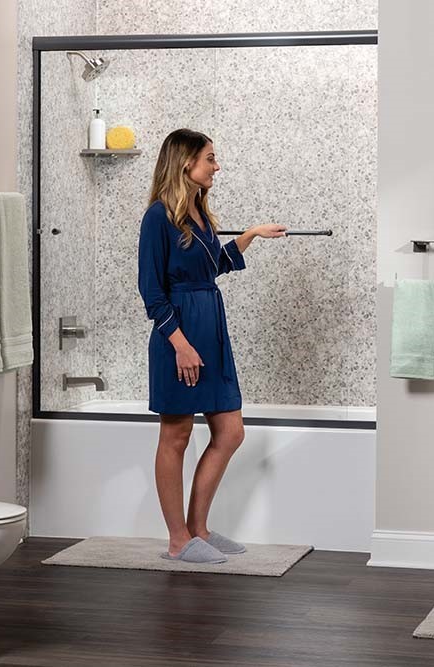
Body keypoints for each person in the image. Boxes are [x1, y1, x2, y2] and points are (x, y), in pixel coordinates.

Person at [137, 129, 287, 563]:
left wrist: (251, 235)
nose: (216, 166)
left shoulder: (198, 213)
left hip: (212, 331)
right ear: (186, 163)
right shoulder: (157, 217)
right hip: (178, 335)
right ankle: (178, 540)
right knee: (177, 433)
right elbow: (152, 292)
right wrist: (180, 345)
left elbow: (213, 267)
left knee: (231, 431)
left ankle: (198, 528)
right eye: (210, 159)